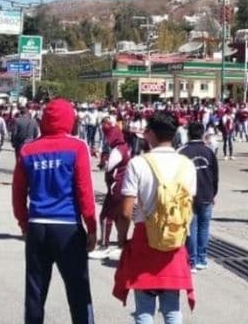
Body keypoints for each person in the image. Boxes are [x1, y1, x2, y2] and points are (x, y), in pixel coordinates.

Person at [12, 98, 97, 324]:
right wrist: (92, 227)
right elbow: (84, 190)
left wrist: (23, 223)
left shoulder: (28, 150)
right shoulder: (77, 147)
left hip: (38, 225)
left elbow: (18, 193)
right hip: (67, 226)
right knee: (78, 290)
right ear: (70, 119)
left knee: (35, 292)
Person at [114, 111, 197, 323]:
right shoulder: (187, 164)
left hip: (145, 236)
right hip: (175, 238)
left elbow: (125, 211)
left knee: (144, 308)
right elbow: (190, 206)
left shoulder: (138, 163)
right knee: (171, 308)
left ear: (151, 134)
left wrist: (122, 238)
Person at [179, 122, 219, 272]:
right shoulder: (209, 151)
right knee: (204, 227)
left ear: (188, 133)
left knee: (192, 227)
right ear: (203, 134)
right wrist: (213, 193)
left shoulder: (182, 151)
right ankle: (202, 258)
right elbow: (215, 175)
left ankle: (192, 261)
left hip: (188, 195)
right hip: (207, 193)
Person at [90, 120, 130, 261]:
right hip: (121, 186)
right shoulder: (124, 147)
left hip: (115, 187)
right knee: (119, 217)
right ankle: (122, 244)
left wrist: (103, 159)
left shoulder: (118, 150)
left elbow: (108, 167)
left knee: (106, 216)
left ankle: (104, 245)